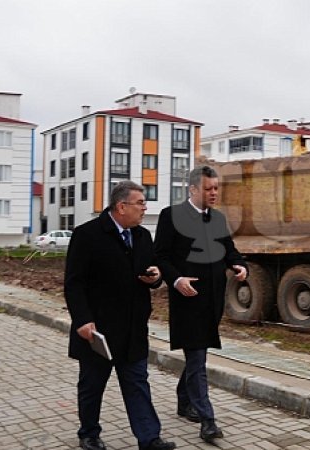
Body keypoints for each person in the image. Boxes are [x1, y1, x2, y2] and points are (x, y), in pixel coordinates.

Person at [65, 181, 176, 450]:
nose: (144, 208)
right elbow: (74, 283)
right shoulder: (87, 235)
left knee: (138, 384)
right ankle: (89, 434)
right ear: (121, 206)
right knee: (92, 386)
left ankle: (149, 438)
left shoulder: (141, 236)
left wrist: (155, 277)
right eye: (140, 203)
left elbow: (152, 272)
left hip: (132, 329)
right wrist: (82, 319)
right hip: (98, 330)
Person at [154, 165, 248, 444]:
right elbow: (160, 256)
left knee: (198, 354)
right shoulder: (171, 216)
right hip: (187, 299)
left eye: (217, 188)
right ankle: (208, 421)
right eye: (209, 188)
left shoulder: (217, 219)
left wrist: (239, 266)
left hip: (213, 300)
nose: (214, 193)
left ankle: (184, 401)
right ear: (193, 189)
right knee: (197, 357)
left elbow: (230, 250)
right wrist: (176, 279)